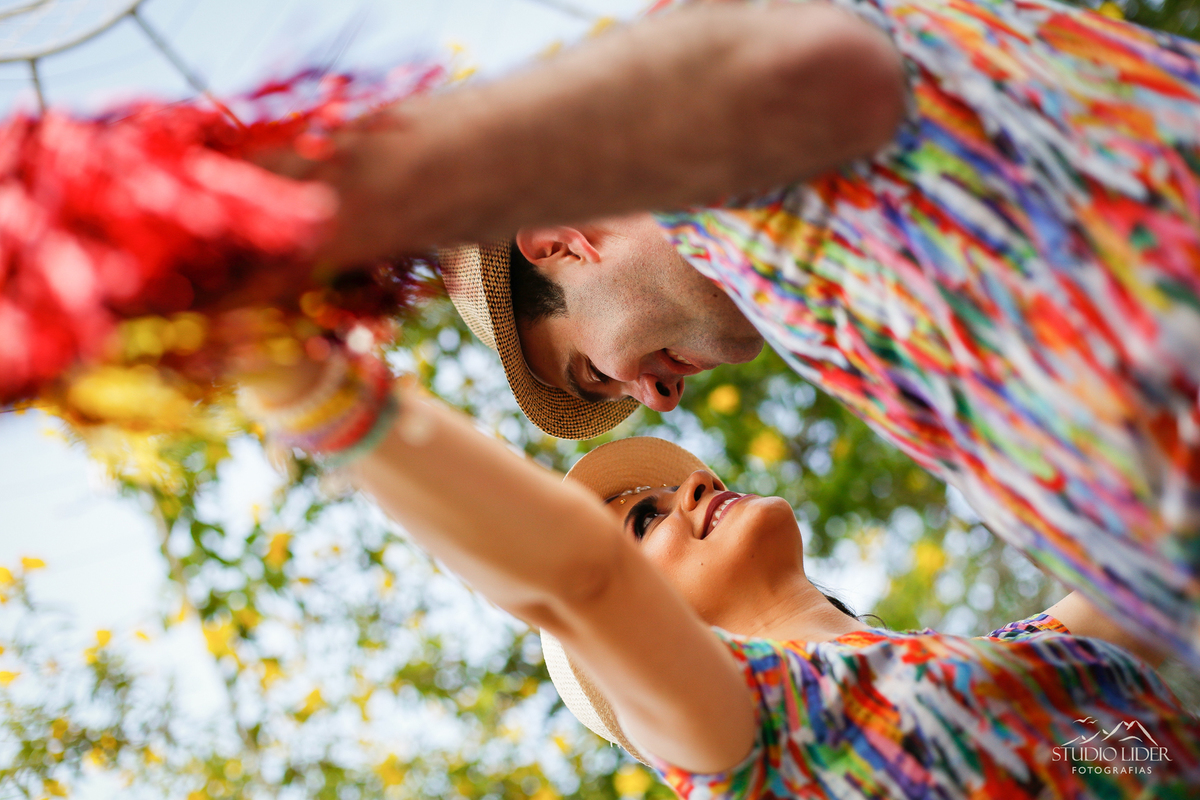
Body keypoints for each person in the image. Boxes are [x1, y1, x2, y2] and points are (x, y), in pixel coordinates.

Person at [272, 0, 1200, 667]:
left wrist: (334, 206)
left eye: (596, 371)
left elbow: (807, 62)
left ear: (560, 237)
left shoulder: (716, 159)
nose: (660, 402)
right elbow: (1128, 743)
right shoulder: (815, 294)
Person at [235, 348, 1200, 798]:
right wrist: (311, 385)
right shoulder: (745, 747)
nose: (697, 483)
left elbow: (1169, 550)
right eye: (646, 519)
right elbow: (579, 580)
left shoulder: (1023, 669)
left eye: (682, 482)